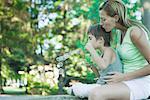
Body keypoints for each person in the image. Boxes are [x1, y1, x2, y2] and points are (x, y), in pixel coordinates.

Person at [88, 0, 150, 100]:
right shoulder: (119, 33)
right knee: (91, 92)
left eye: (103, 19)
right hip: (124, 81)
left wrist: (123, 77)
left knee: (96, 94)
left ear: (116, 18)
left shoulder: (135, 32)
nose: (101, 23)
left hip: (140, 82)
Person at [67, 24, 123, 98]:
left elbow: (103, 66)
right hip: (103, 86)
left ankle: (75, 89)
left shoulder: (109, 51)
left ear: (100, 40)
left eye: (90, 38)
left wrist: (91, 50)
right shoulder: (102, 55)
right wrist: (92, 67)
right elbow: (101, 76)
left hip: (109, 88)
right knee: (77, 87)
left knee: (76, 88)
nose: (88, 42)